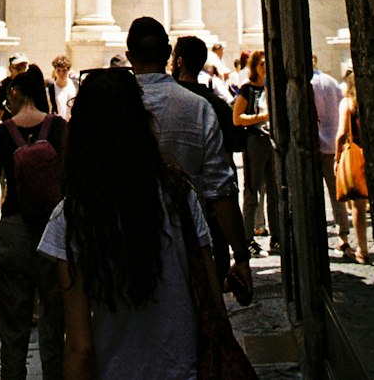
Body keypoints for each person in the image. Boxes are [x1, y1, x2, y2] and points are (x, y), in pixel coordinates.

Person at [37, 66, 256, 380]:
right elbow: (212, 300)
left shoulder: (71, 216)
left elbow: (80, 346)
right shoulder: (180, 197)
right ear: (141, 123)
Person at [126, 16, 252, 304]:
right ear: (168, 54)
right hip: (187, 247)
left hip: (124, 247)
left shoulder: (106, 107)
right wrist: (241, 257)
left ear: (130, 55)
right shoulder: (199, 107)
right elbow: (221, 189)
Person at [0, 64, 66, 380]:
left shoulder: (1, 133)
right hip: (52, 235)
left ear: (16, 92)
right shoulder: (59, 126)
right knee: (53, 327)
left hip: (14, 231)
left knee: (13, 330)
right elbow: (70, 187)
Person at [172, 35, 237, 276]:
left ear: (178, 62)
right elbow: (229, 161)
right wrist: (240, 255)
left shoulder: (167, 102)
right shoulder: (216, 105)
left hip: (175, 213)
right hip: (212, 208)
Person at [232, 49, 280, 256]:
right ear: (254, 67)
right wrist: (262, 117)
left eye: (266, 64)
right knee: (253, 191)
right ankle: (248, 238)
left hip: (272, 142)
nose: (264, 67)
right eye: (261, 64)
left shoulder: (273, 88)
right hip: (255, 141)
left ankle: (277, 237)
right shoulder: (247, 90)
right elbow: (237, 118)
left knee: (275, 190)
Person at [310, 55, 350, 255]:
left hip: (314, 145)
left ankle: (315, 235)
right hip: (333, 144)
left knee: (313, 193)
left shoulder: (308, 83)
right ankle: (343, 235)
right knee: (337, 194)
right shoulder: (331, 81)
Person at [333, 69, 369, 263]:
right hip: (372, 153)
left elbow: (341, 133)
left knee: (358, 206)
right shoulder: (369, 100)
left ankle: (363, 250)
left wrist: (337, 158)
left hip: (356, 154)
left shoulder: (347, 103)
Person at [0, 54, 28, 126]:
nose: (22, 71)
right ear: (10, 69)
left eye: (24, 67)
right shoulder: (2, 86)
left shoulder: (32, 85)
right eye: (19, 68)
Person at [46, 55, 78, 121]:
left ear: (69, 70)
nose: (61, 73)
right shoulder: (51, 88)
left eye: (64, 70)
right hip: (58, 125)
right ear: (55, 71)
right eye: (58, 70)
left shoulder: (75, 85)